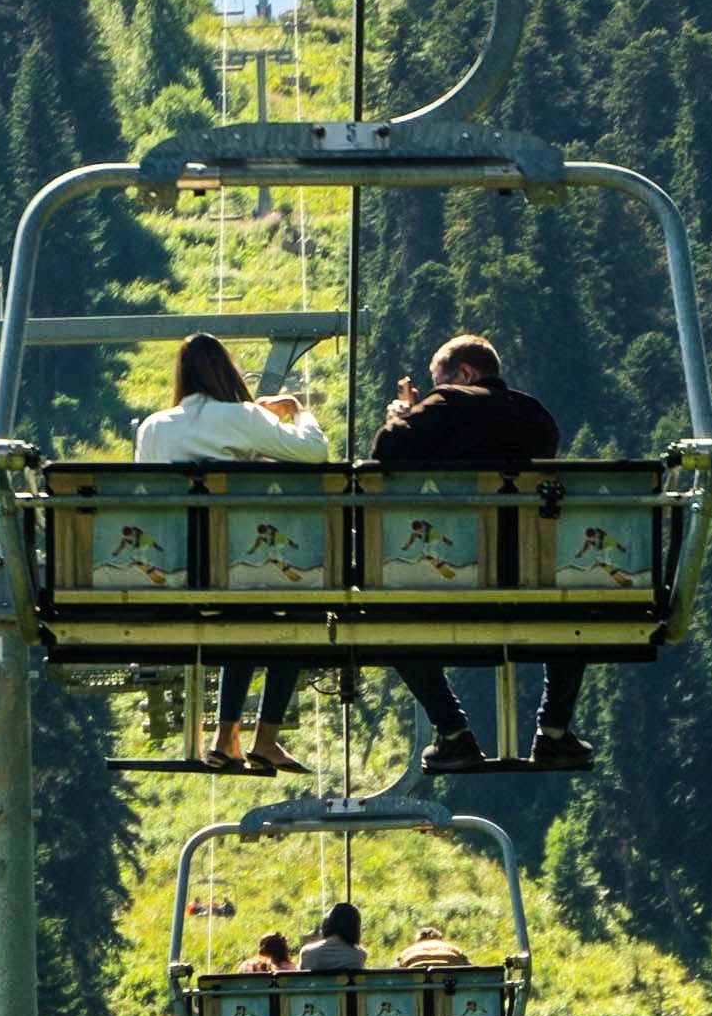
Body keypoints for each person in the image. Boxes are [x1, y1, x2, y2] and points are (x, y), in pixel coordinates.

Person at [369, 333, 591, 771]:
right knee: (578, 610)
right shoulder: (536, 417)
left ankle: (453, 733)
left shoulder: (447, 403)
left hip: (449, 574)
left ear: (465, 373)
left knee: (385, 618)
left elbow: (386, 453)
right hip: (528, 573)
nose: (436, 389)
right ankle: (554, 732)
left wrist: (403, 414)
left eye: (440, 379)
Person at [137, 331, 328, 773]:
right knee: (288, 618)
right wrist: (298, 411)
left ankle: (228, 739)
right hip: (238, 566)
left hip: (171, 566)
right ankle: (262, 739)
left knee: (241, 619)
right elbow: (314, 453)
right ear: (227, 371)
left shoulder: (153, 427)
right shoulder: (242, 417)